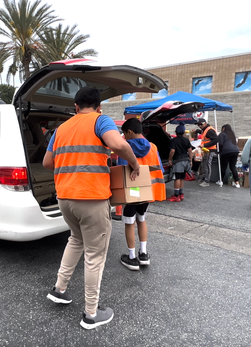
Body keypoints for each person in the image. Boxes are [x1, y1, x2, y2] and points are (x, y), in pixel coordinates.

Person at [43, 86, 140, 330]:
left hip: (65, 198)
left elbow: (47, 162)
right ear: (98, 107)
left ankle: (60, 289)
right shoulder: (101, 120)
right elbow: (117, 145)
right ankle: (91, 313)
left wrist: (70, 168)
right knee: (95, 255)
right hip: (92, 199)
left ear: (75, 107)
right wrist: (134, 163)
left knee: (75, 240)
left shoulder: (61, 129)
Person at [117, 117, 165, 270]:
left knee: (129, 222)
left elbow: (121, 173)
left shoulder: (124, 147)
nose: (124, 137)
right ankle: (143, 254)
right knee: (141, 219)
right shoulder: (153, 147)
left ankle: (131, 258)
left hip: (132, 192)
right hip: (146, 191)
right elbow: (160, 169)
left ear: (130, 132)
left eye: (125, 133)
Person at [167, 122, 193, 202]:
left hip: (178, 161)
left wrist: (169, 160)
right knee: (182, 178)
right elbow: (190, 151)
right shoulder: (186, 140)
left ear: (176, 132)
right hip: (186, 161)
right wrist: (191, 161)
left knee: (177, 178)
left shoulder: (174, 141)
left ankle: (176, 196)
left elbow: (172, 151)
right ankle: (181, 194)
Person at [195, 118, 218, 187]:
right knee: (205, 164)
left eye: (201, 124)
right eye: (198, 125)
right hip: (206, 150)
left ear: (205, 123)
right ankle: (205, 178)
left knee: (207, 165)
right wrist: (197, 131)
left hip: (209, 150)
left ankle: (207, 181)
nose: (200, 126)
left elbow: (216, 140)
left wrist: (204, 145)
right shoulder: (206, 129)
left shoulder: (209, 130)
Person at [218, 124, 241, 188]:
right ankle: (237, 182)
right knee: (232, 167)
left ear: (224, 128)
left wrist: (219, 151)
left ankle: (221, 181)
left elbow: (221, 143)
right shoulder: (232, 135)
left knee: (223, 167)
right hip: (235, 151)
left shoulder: (222, 134)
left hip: (226, 151)